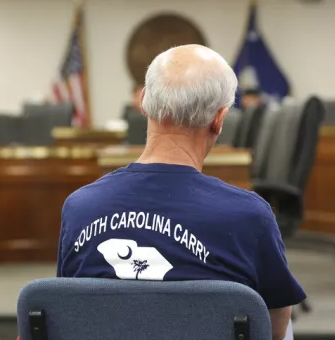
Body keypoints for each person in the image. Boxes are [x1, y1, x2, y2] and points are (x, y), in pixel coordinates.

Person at [57, 44, 305, 340]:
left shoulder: (79, 208)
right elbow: (276, 327)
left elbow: (66, 316)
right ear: (219, 119)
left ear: (144, 103)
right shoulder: (250, 217)